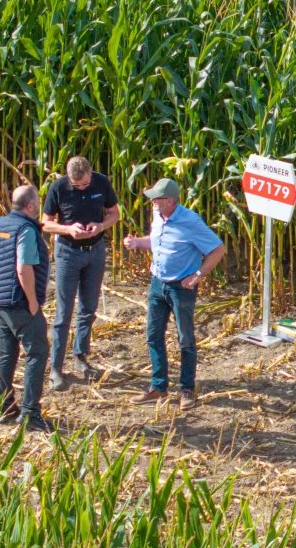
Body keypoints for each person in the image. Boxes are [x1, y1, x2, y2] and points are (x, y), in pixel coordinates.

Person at [124, 178, 225, 411]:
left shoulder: (190, 222)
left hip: (182, 288)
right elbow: (158, 243)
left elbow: (218, 249)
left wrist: (198, 274)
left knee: (185, 339)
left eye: (156, 199)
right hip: (157, 284)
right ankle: (158, 387)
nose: (152, 202)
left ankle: (187, 389)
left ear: (169, 201)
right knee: (153, 335)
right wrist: (137, 242)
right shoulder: (158, 217)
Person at [0, 185, 55, 432]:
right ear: (31, 206)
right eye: (38, 203)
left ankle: (4, 407)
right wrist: (32, 301)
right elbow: (23, 268)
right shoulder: (26, 229)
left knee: (7, 352)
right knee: (38, 351)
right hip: (18, 302)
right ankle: (30, 414)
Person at [41, 156, 119, 390]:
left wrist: (101, 226)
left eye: (85, 184)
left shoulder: (101, 183)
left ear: (91, 173)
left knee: (88, 308)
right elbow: (45, 223)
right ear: (69, 178)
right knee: (64, 312)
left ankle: (80, 357)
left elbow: (114, 213)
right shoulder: (58, 188)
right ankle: (56, 366)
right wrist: (67, 229)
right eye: (77, 185)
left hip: (95, 251)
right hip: (68, 252)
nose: (82, 187)